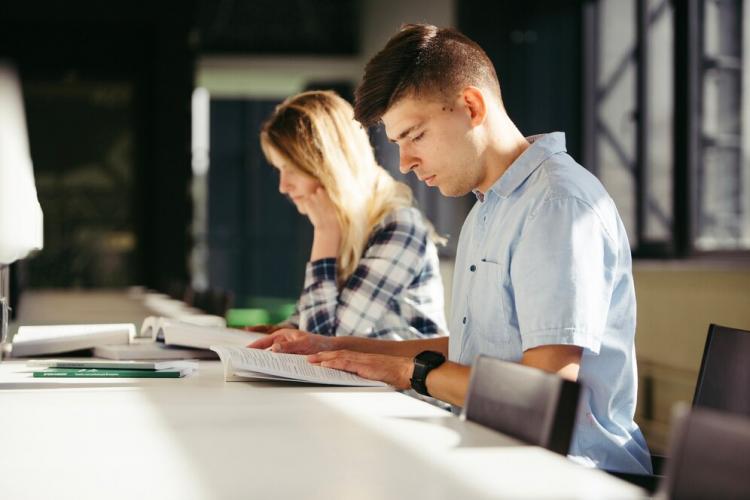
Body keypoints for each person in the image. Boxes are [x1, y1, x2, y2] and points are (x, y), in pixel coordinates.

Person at [250, 25, 652, 474]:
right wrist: (334, 345)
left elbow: (543, 392)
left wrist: (409, 373)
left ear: (471, 106)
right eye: (397, 144)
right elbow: (472, 348)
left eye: (415, 136)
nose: (404, 163)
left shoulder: (557, 205)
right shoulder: (488, 207)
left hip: (566, 472)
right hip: (487, 444)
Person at [253, 90, 447, 341]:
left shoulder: (399, 226)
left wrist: (325, 233)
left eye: (290, 169)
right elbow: (307, 322)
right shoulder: (348, 226)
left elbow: (324, 341)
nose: (283, 186)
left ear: (326, 164)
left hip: (403, 381)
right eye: (279, 170)